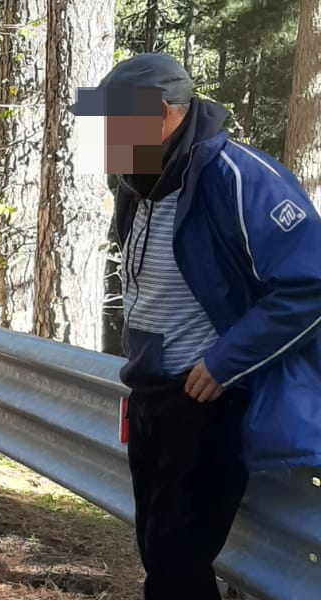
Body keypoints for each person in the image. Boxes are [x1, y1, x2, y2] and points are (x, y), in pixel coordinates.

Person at [71, 53, 321, 600]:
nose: (105, 137)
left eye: (113, 122)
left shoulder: (240, 177)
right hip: (147, 393)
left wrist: (224, 362)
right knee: (159, 552)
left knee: (174, 564)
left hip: (205, 398)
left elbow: (311, 283)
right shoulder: (133, 180)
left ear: (160, 113)